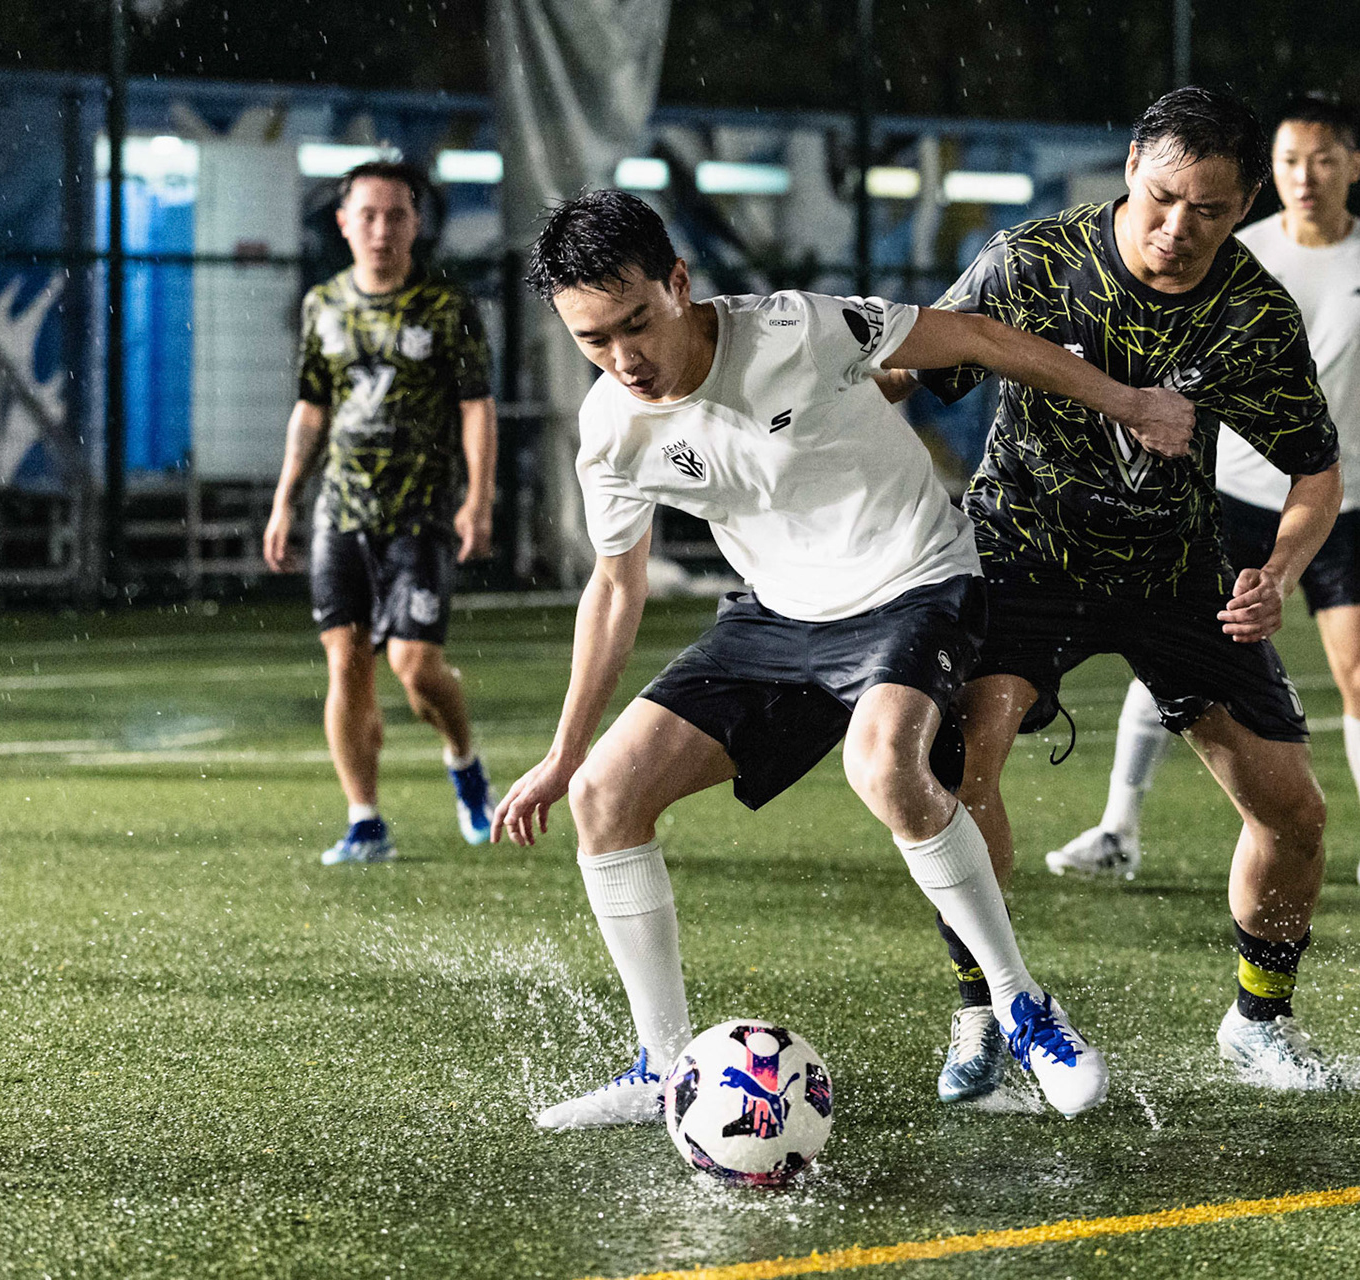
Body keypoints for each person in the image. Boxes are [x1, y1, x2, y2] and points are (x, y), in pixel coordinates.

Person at [494, 190, 1195, 1127]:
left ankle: (1023, 1007)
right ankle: (662, 1066)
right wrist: (562, 750)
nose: (625, 359)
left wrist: (1130, 402)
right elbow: (616, 588)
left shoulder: (799, 328)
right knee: (603, 798)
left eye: (637, 324)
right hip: (776, 617)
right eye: (592, 341)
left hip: (914, 582)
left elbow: (978, 338)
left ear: (679, 283)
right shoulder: (613, 430)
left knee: (883, 764)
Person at [884, 87, 1348, 1102]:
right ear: (1130, 166)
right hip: (1022, 551)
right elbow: (906, 370)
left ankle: (1257, 1022)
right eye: (1161, 198)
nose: (1179, 230)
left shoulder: (1255, 312)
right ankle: (985, 1008)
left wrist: (1275, 572)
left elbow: (1319, 473)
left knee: (1295, 810)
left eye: (1211, 211)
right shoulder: (1032, 262)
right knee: (962, 762)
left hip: (1175, 572)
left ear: (1245, 205)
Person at [1049, 93, 1360, 895]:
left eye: (1322, 159)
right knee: (1167, 661)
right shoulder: (1235, 250)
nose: (1305, 176)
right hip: (1226, 498)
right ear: (1266, 175)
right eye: (1288, 161)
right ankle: (1117, 829)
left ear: (1353, 166)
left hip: (1338, 498)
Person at [264, 161, 498, 865]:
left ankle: (464, 760)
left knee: (416, 667)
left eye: (395, 215)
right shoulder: (323, 305)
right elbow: (311, 409)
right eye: (367, 215)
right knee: (346, 665)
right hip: (341, 511)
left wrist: (477, 499)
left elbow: (476, 407)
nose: (381, 229)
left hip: (420, 511)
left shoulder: (445, 307)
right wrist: (285, 499)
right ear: (343, 223)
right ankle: (365, 821)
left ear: (416, 224)